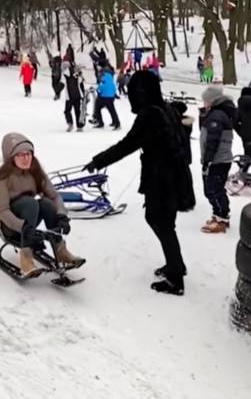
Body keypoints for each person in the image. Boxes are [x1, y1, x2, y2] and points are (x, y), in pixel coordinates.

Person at [83, 71, 195, 296]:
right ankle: (176, 265)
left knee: (159, 221)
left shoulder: (150, 115)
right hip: (174, 175)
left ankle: (175, 278)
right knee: (164, 222)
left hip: (162, 178)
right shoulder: (167, 109)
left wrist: (98, 161)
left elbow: (128, 144)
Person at [0, 133, 84, 277]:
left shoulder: (35, 172)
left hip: (25, 218)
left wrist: (62, 216)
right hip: (3, 223)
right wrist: (23, 227)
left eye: (28, 154)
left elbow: (54, 196)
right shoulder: (2, 178)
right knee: (30, 203)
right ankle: (26, 259)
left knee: (46, 204)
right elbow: (2, 211)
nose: (26, 158)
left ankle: (61, 250)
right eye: (20, 155)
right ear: (11, 158)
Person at [199, 85, 235, 233]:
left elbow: (212, 141)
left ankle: (222, 218)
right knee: (211, 189)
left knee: (214, 190)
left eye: (205, 101)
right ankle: (217, 214)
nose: (204, 103)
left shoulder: (217, 116)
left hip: (218, 160)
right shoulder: (214, 114)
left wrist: (207, 160)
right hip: (216, 159)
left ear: (212, 101)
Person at [92, 61, 120, 129]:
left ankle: (101, 123)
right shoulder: (109, 73)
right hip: (110, 95)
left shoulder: (102, 74)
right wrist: (114, 93)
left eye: (98, 66)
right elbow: (112, 84)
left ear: (100, 66)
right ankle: (116, 123)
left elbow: (102, 84)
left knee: (97, 108)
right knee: (111, 109)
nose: (97, 67)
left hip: (104, 95)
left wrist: (98, 90)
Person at [62, 62, 85, 132]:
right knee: (78, 111)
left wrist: (57, 91)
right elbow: (81, 84)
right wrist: (83, 94)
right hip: (78, 95)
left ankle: (70, 124)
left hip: (69, 96)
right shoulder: (77, 74)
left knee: (67, 110)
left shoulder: (65, 74)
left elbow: (62, 83)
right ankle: (80, 126)